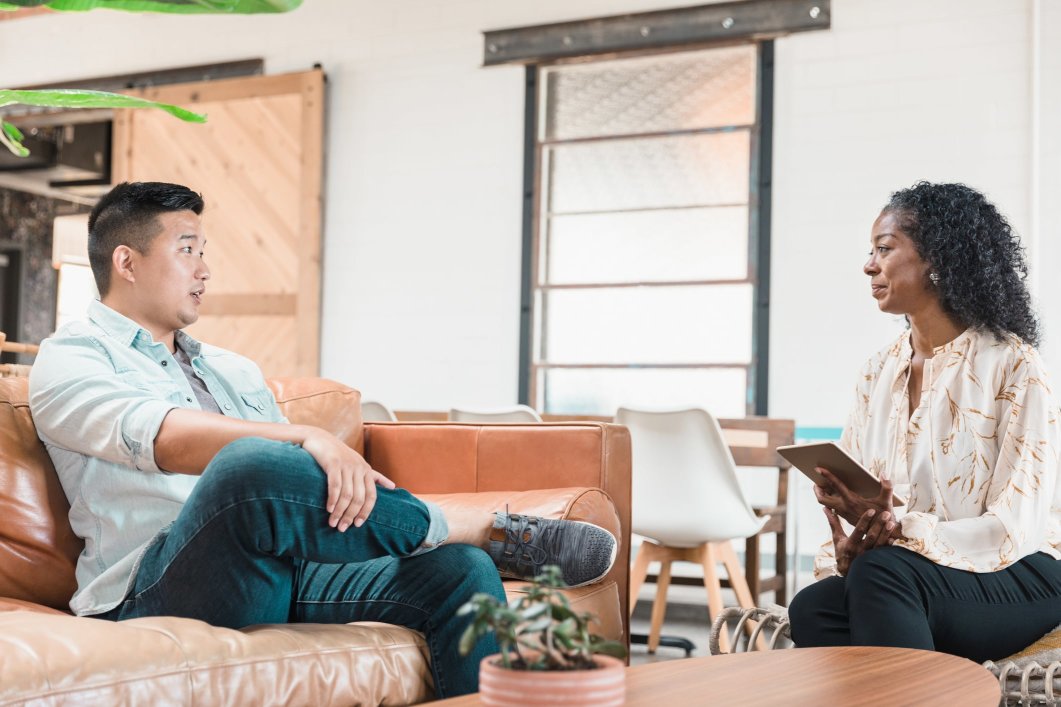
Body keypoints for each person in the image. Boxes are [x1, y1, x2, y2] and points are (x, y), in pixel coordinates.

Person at [28, 181, 618, 698]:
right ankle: (482, 526)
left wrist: (304, 451)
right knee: (247, 466)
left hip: (278, 570)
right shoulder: (70, 358)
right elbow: (161, 438)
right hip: (152, 585)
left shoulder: (231, 369)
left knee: (459, 571)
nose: (205, 270)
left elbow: (287, 488)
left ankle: (469, 543)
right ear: (127, 263)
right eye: (187, 251)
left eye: (204, 252)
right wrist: (305, 435)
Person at [787, 181, 1061, 663]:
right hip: (914, 571)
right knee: (814, 606)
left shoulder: (1014, 365)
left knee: (884, 574)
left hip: (1028, 570)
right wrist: (860, 543)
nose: (869, 265)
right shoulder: (876, 372)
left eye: (884, 249)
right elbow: (877, 508)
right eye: (870, 250)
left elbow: (1016, 525)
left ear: (937, 261)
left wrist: (900, 534)